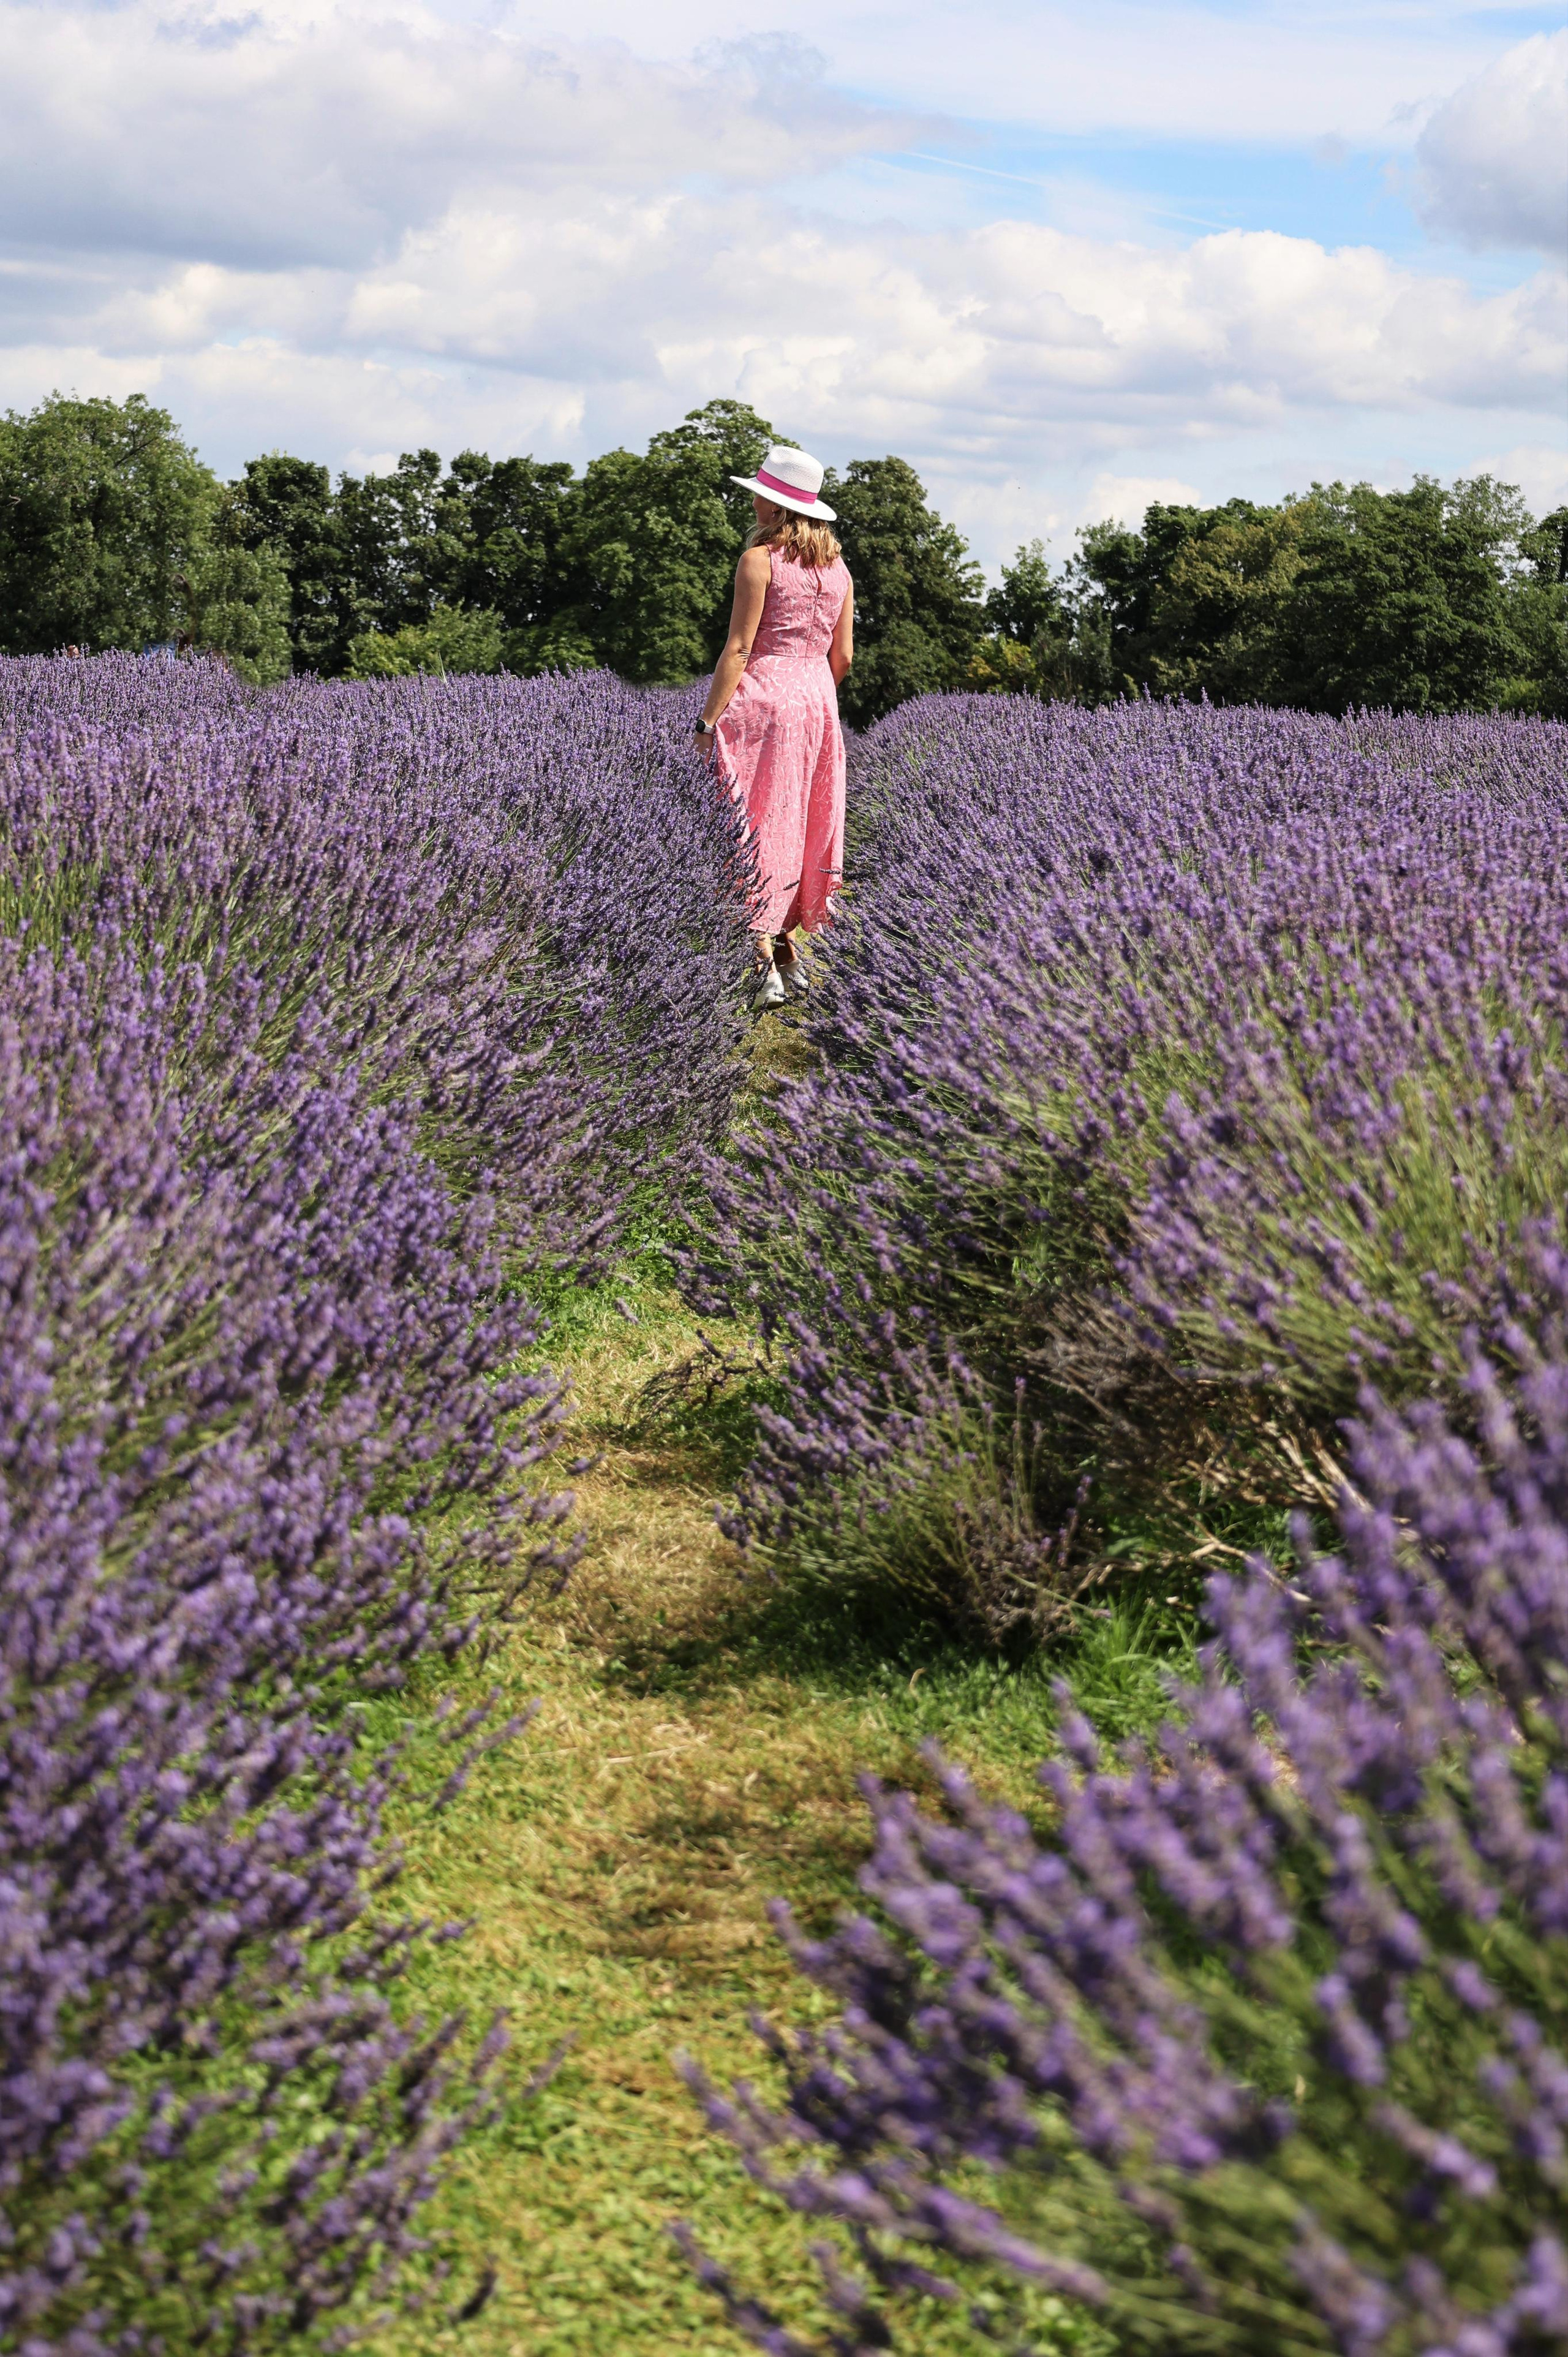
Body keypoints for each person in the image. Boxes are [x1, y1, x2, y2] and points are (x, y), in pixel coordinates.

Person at [692, 444, 853, 1009]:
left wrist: (707, 721)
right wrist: (813, 693)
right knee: (800, 821)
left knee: (752, 822)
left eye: (761, 494)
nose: (755, 501)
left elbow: (738, 648)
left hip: (762, 703)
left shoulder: (759, 560)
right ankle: (789, 955)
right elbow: (844, 657)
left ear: (778, 506)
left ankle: (764, 967)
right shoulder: (838, 570)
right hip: (818, 704)